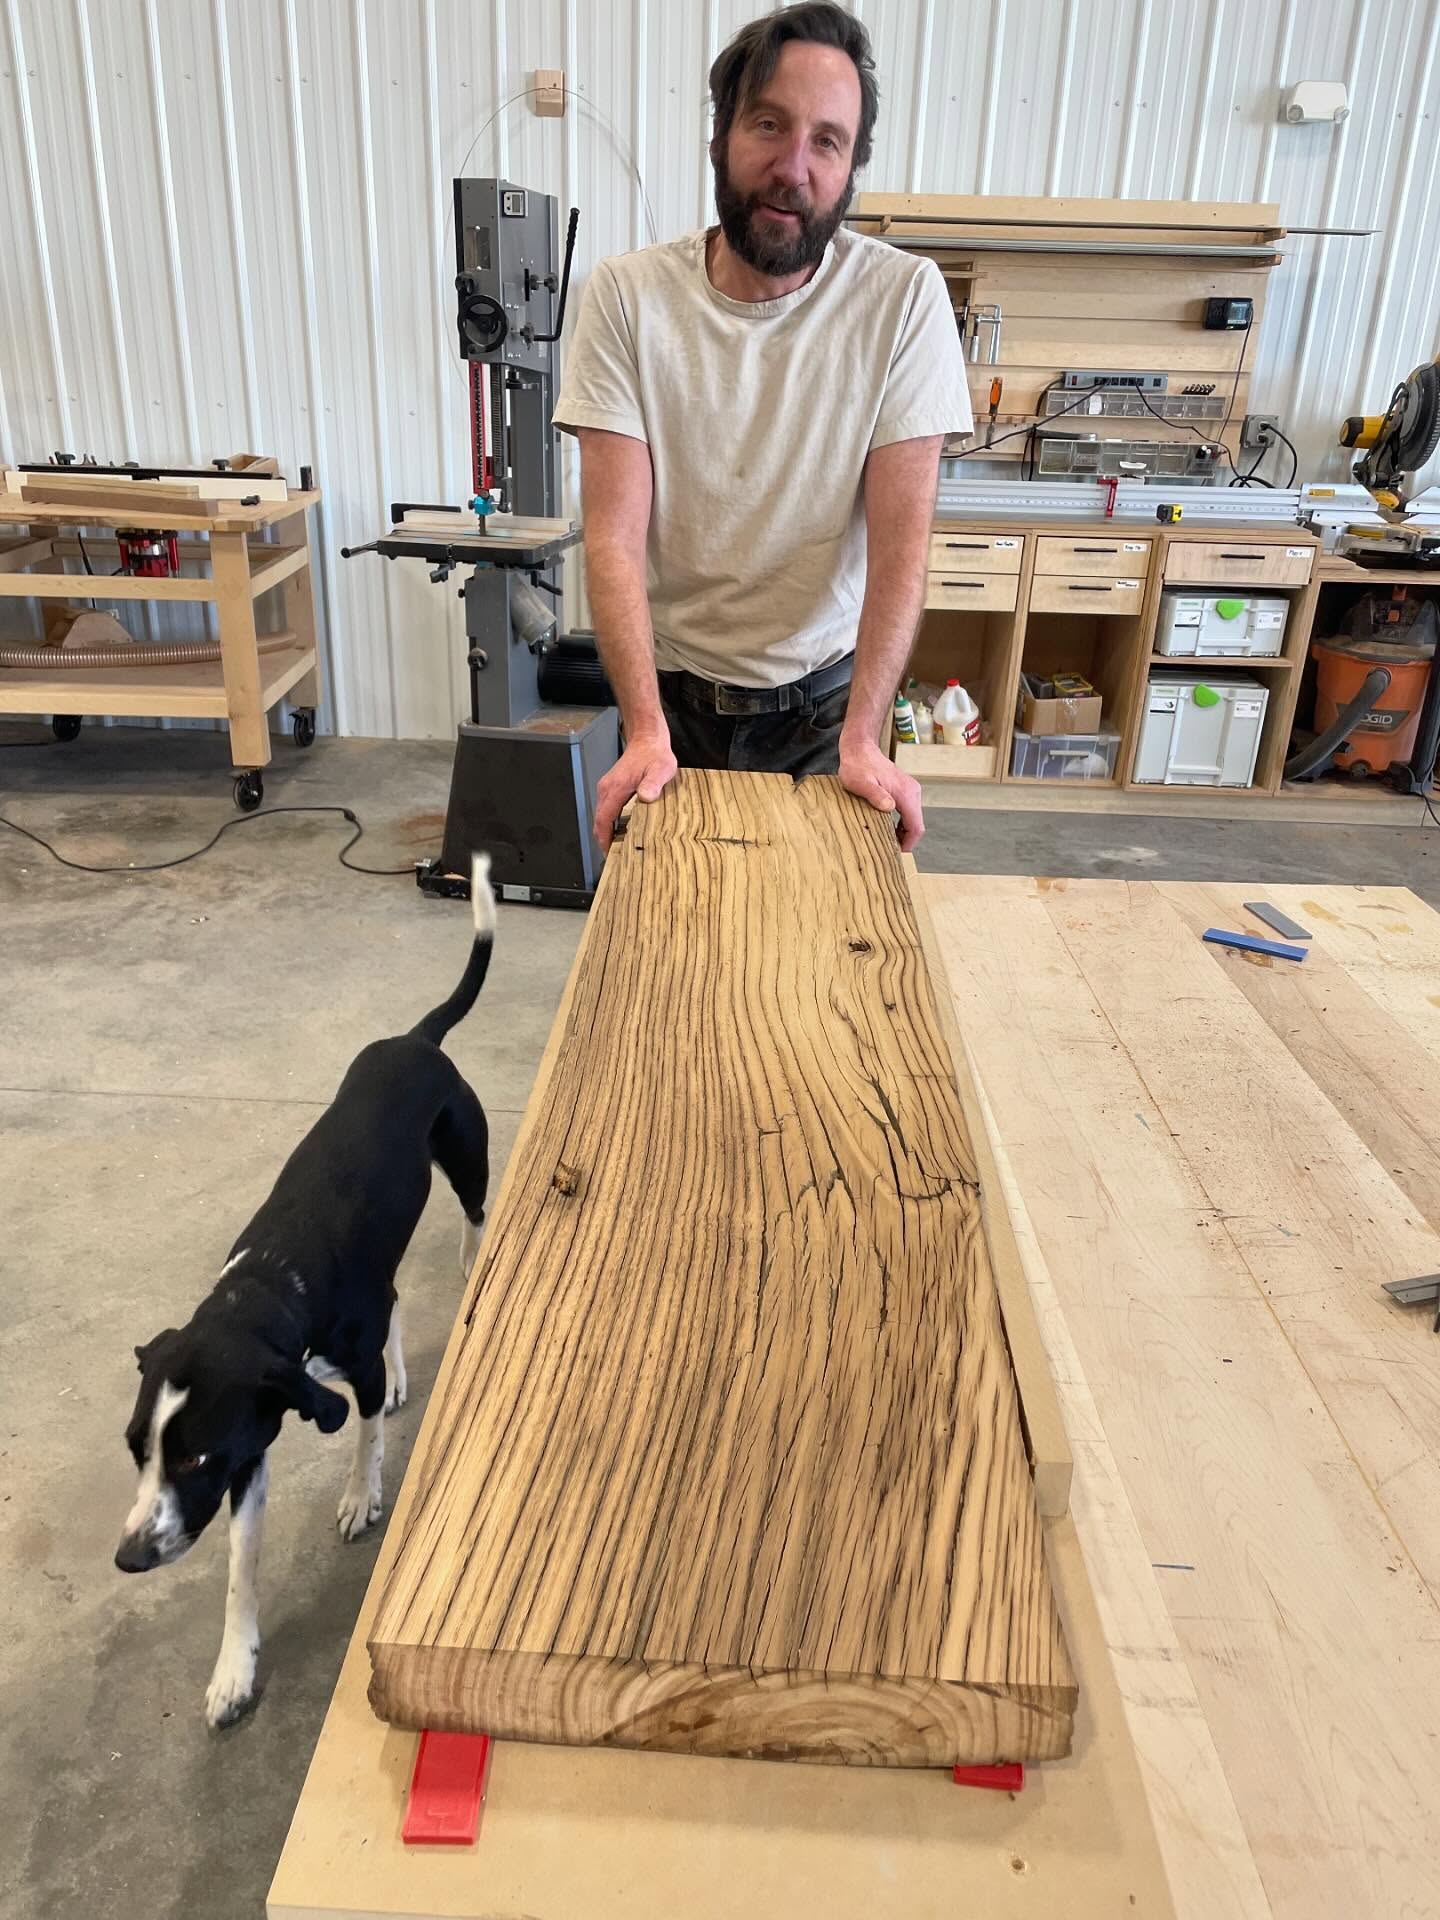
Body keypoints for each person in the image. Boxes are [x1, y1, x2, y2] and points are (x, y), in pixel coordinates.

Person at [553, 1, 972, 853]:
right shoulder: (628, 296)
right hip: (668, 707)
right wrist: (643, 729)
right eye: (769, 125)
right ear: (721, 135)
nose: (793, 168)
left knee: (823, 932)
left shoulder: (903, 300)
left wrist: (865, 736)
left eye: (828, 141)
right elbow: (613, 541)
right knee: (672, 926)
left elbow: (901, 550)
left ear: (852, 166)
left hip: (827, 714)